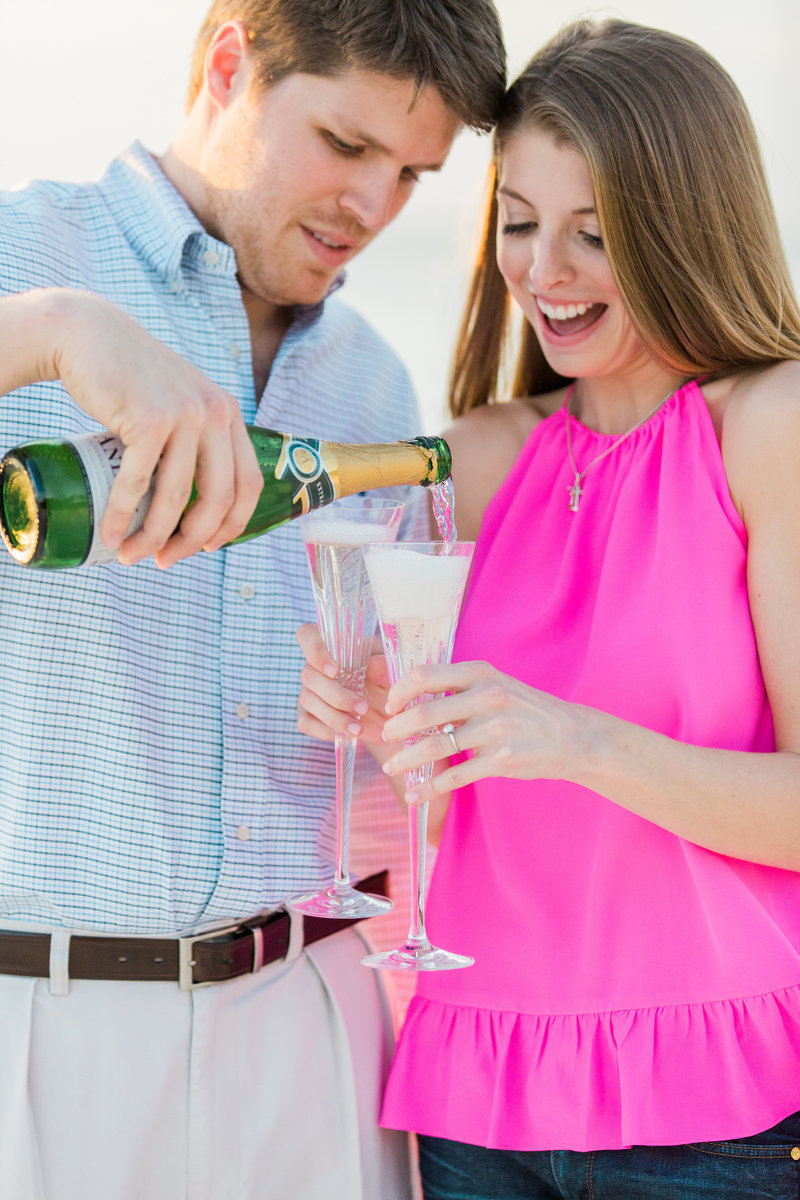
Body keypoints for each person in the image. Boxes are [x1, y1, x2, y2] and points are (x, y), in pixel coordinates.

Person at [0, 2, 506, 1198]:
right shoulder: (27, 266)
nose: (372, 210)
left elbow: (381, 788)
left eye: (412, 175)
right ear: (228, 61)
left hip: (309, 1029)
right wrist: (58, 333)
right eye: (343, 144)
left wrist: (388, 725)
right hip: (40, 1032)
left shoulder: (373, 380)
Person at [296, 17, 800, 1199]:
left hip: (711, 1113)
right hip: (479, 1091)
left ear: (681, 229)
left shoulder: (764, 429)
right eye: (517, 223)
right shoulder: (474, 456)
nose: (542, 272)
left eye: (594, 234)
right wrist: (371, 716)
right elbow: (449, 767)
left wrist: (572, 739)